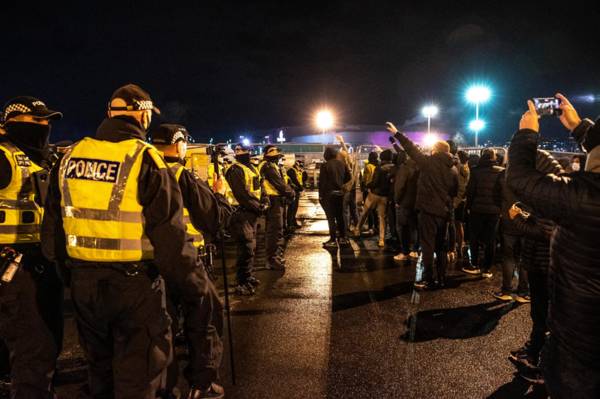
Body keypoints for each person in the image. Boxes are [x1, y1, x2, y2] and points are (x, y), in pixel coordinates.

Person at [42, 84, 220, 398]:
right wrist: (194, 285)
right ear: (143, 114)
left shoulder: (70, 156)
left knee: (101, 374)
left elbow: (53, 230)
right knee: (139, 377)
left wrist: (70, 276)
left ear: (109, 113)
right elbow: (170, 236)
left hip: (84, 286)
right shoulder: (144, 158)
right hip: (133, 287)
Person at [507, 93, 600, 398]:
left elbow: (520, 179)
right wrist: (578, 126)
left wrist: (527, 133)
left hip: (580, 336)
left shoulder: (585, 194)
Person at [151, 124, 230, 398]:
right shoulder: (183, 176)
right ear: (179, 144)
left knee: (164, 325)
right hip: (188, 259)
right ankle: (202, 383)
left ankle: (165, 387)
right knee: (205, 319)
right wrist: (218, 194)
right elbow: (215, 217)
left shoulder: (143, 172)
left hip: (153, 262)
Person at [0, 97, 64, 398]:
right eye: (37, 121)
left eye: (47, 121)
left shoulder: (44, 160)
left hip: (41, 262)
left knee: (40, 345)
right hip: (13, 266)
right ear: (14, 123)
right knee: (33, 351)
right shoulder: (3, 157)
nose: (45, 127)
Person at [507, 150, 562, 384]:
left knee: (543, 315)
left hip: (545, 265)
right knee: (540, 313)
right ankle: (534, 349)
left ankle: (539, 363)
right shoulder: (548, 193)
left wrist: (517, 219)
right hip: (540, 263)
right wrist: (526, 215)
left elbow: (546, 231)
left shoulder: (554, 196)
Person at [387, 122, 458, 289]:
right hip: (445, 212)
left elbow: (411, 149)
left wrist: (397, 133)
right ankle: (441, 278)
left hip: (428, 211)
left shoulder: (428, 163)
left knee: (428, 246)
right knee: (441, 246)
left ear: (435, 150)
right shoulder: (453, 169)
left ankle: (428, 279)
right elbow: (454, 192)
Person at [225, 143, 265, 295]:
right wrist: (258, 207)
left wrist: (264, 202)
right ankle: (241, 282)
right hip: (240, 213)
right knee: (246, 248)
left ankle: (247, 276)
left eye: (245, 150)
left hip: (251, 213)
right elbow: (241, 194)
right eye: (239, 150)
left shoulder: (252, 168)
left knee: (251, 247)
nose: (243, 152)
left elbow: (260, 188)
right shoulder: (235, 170)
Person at [462, 148, 504, 279]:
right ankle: (487, 268)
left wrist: (468, 207)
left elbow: (470, 191)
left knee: (474, 237)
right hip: (494, 211)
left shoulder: (475, 170)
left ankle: (474, 265)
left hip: (477, 209)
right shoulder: (501, 172)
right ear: (494, 157)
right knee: (490, 239)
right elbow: (503, 192)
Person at [258, 146, 294, 270]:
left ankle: (274, 256)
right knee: (274, 230)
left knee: (276, 229)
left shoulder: (272, 165)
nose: (276, 153)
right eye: (272, 151)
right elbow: (279, 184)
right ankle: (271, 259)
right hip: (273, 200)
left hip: (275, 199)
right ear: (266, 153)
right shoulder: (268, 166)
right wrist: (291, 193)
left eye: (277, 151)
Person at [353, 149, 394, 247]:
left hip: (374, 195)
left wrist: (368, 185)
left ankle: (357, 230)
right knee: (382, 218)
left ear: (382, 158)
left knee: (365, 213)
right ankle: (381, 239)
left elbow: (375, 182)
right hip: (385, 197)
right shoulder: (394, 168)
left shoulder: (379, 168)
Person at [391, 148, 420, 262]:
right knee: (415, 227)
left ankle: (405, 251)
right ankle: (415, 250)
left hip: (405, 202)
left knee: (402, 227)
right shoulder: (421, 167)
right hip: (417, 202)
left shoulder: (405, 168)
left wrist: (397, 200)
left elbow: (400, 187)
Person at [319, 146, 350, 247]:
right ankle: (343, 238)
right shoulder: (342, 164)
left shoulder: (325, 165)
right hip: (340, 193)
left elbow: (322, 182)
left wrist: (321, 196)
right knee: (340, 217)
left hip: (329, 195)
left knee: (331, 218)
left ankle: (333, 240)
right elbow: (348, 178)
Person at [453, 150, 470, 260]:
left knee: (453, 224)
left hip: (456, 201)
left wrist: (455, 201)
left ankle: (454, 246)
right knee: (458, 225)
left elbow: (458, 187)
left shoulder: (458, 168)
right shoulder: (467, 169)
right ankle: (460, 244)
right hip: (462, 201)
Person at [360, 152, 379, 234]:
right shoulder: (378, 167)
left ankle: (371, 227)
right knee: (375, 210)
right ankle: (376, 227)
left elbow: (365, 180)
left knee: (369, 210)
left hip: (368, 190)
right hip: (376, 191)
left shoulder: (368, 167)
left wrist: (363, 186)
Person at [286, 160, 305, 229]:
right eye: (299, 165)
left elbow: (304, 178)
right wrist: (301, 188)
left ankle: (293, 222)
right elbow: (295, 181)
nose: (300, 167)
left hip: (297, 191)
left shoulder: (298, 171)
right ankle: (290, 224)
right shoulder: (291, 171)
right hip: (293, 191)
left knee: (294, 208)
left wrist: (302, 171)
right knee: (292, 208)